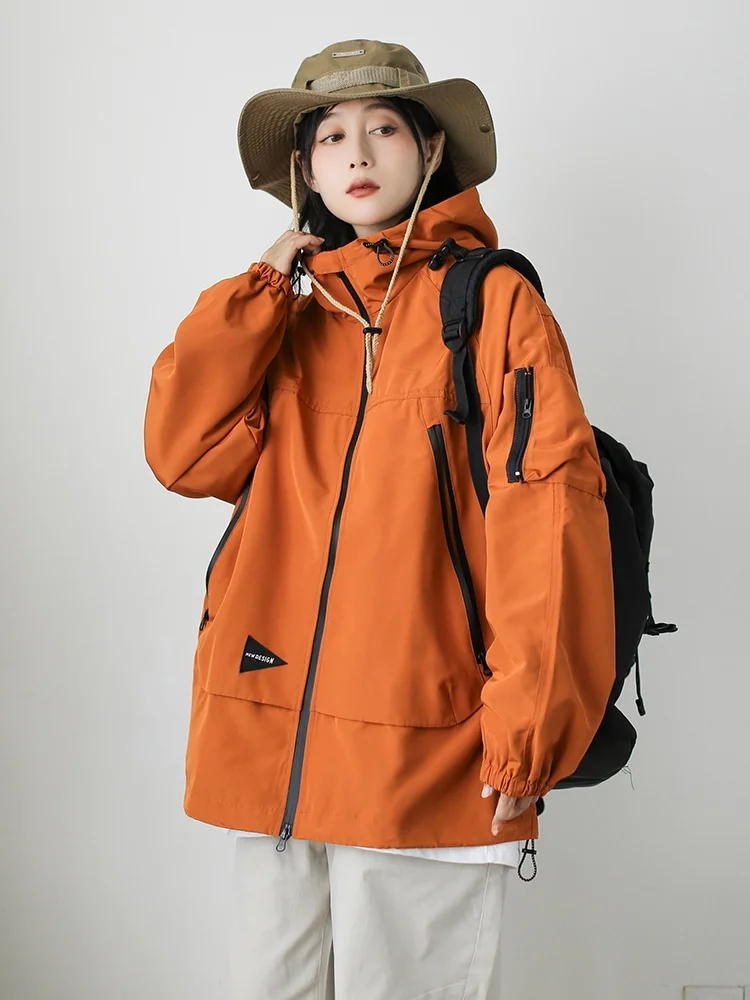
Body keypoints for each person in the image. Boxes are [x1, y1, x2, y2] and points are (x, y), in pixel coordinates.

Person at [143, 38, 616, 1000]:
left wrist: (528, 729)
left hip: (426, 748)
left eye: (384, 128)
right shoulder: (289, 315)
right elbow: (181, 454)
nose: (356, 154)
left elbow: (548, 515)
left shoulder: (491, 303)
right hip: (280, 744)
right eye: (331, 137)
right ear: (305, 170)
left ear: (430, 149)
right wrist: (258, 293)